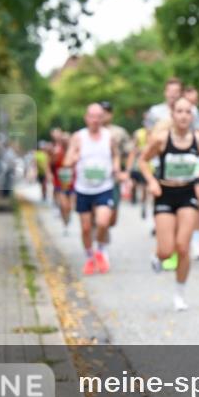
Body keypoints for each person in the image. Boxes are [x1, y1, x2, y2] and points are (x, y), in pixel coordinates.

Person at [139, 96, 199, 311]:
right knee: (166, 250)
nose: (183, 115)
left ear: (192, 116)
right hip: (164, 193)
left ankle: (179, 294)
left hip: (188, 193)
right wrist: (152, 182)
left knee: (183, 247)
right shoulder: (161, 139)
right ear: (172, 115)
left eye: (187, 112)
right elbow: (142, 161)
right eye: (179, 111)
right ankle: (157, 254)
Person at [62, 104, 121, 276]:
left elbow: (116, 155)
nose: (95, 120)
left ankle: (101, 250)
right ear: (86, 118)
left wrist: (116, 167)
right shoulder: (78, 137)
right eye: (92, 116)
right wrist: (73, 157)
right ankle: (89, 257)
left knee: (103, 222)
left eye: (98, 116)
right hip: (83, 189)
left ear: (103, 118)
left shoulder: (109, 137)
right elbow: (66, 161)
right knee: (86, 228)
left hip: (104, 187)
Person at [183, 86, 199, 260]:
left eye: (194, 102)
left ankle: (196, 241)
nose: (191, 105)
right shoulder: (175, 116)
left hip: (195, 166)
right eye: (188, 101)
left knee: (196, 203)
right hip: (175, 169)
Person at [99, 101, 133, 231]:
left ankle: (103, 233)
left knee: (112, 218)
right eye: (100, 112)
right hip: (95, 179)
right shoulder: (90, 133)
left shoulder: (119, 132)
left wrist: (127, 172)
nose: (103, 115)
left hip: (113, 179)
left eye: (106, 112)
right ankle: (99, 242)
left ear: (111, 114)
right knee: (98, 214)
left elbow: (130, 152)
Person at [50, 129, 75, 234]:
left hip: (73, 184)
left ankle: (67, 218)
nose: (65, 142)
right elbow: (51, 165)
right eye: (63, 140)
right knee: (64, 205)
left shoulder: (75, 152)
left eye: (67, 140)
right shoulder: (56, 151)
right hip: (60, 183)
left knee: (70, 207)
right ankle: (65, 225)